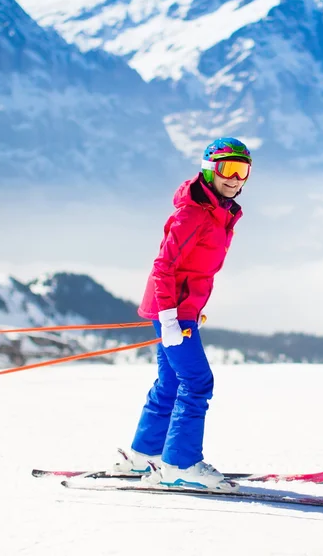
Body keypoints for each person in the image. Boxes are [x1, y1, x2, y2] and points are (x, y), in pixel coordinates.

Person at [115, 137, 252, 490]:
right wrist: (171, 317)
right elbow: (164, 266)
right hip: (171, 309)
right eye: (228, 169)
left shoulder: (218, 210)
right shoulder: (194, 212)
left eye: (243, 170)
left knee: (172, 382)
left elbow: (196, 268)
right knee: (196, 381)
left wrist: (189, 309)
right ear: (209, 170)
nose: (235, 179)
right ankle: (180, 464)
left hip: (180, 308)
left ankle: (143, 456)